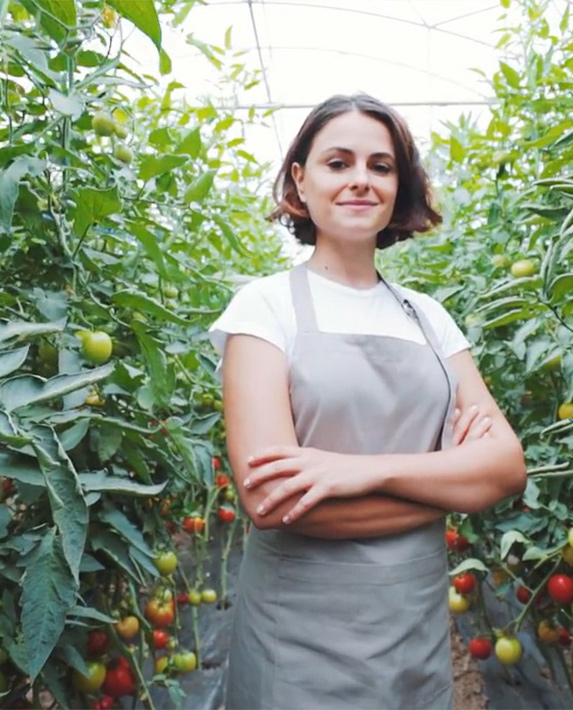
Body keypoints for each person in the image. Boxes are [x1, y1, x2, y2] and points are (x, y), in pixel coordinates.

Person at [209, 93, 526, 710]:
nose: (361, 180)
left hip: (415, 631)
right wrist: (449, 488)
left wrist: (357, 471)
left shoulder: (430, 319)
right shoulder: (264, 307)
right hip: (298, 637)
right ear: (300, 181)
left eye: (381, 166)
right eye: (339, 162)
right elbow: (272, 499)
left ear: (399, 185)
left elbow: (506, 468)